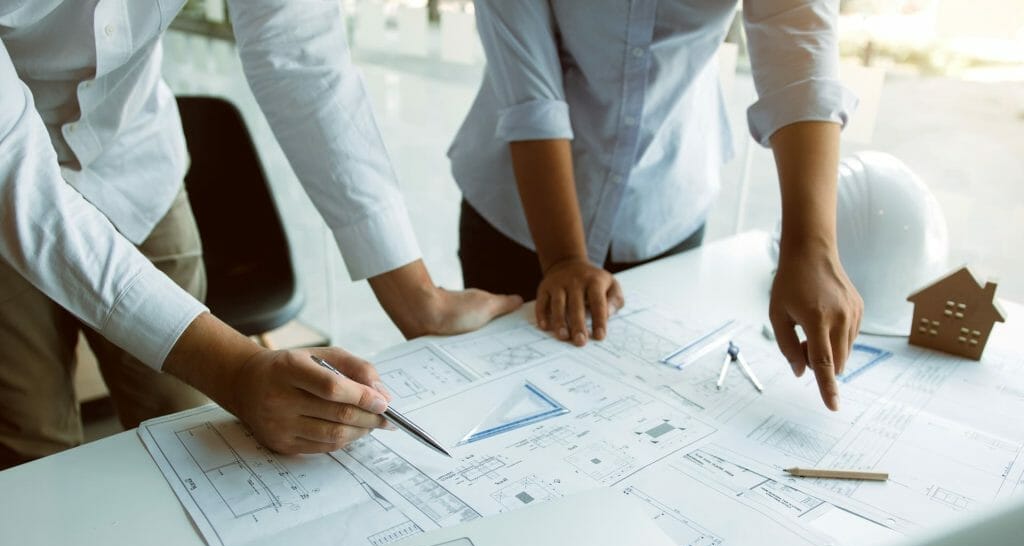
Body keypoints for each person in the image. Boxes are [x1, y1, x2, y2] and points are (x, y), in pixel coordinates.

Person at [0, 0, 521, 469]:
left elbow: (297, 51)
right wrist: (237, 371)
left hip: (137, 165)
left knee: (183, 430)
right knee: (30, 446)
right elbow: (14, 173)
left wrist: (417, 297)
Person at [450, 0, 864, 411]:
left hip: (664, 203)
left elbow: (797, 37)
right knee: (502, 401)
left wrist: (812, 246)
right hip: (520, 212)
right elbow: (531, 93)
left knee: (641, 409)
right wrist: (563, 260)